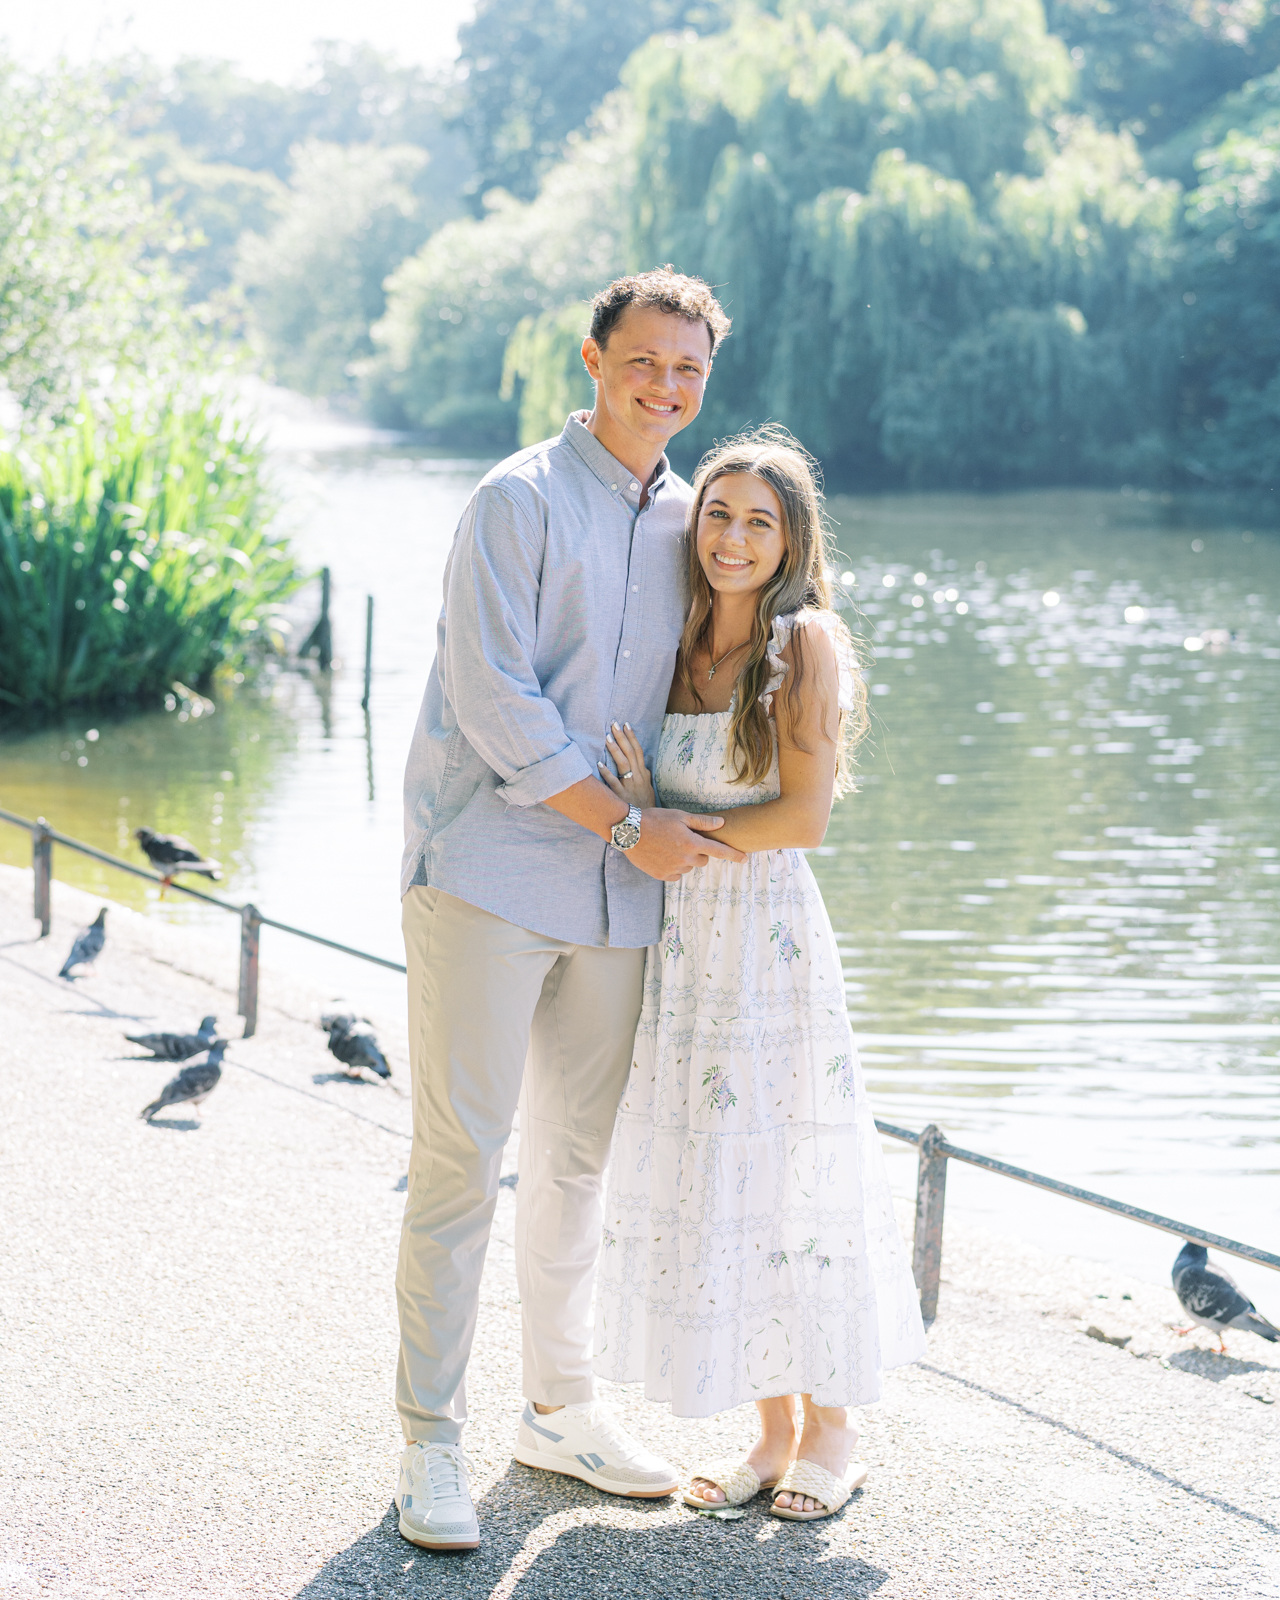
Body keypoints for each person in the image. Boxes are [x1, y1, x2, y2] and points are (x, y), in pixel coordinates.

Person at [393, 268, 743, 1552]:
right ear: (592, 363)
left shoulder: (691, 521)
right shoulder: (515, 499)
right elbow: (494, 703)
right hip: (491, 870)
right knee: (458, 1165)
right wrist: (628, 826)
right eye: (644, 361)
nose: (665, 386)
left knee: (577, 1165)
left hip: (616, 900)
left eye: (689, 370)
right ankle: (429, 1439)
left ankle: (558, 1406)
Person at [594, 427, 926, 1523]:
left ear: (790, 538)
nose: (731, 537)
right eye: (717, 513)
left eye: (757, 519)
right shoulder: (678, 636)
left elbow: (805, 818)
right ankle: (771, 1428)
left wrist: (670, 830)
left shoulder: (803, 644)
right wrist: (641, 812)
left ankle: (833, 1431)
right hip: (685, 954)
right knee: (720, 1185)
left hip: (766, 950)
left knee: (789, 1177)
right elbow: (651, 808)